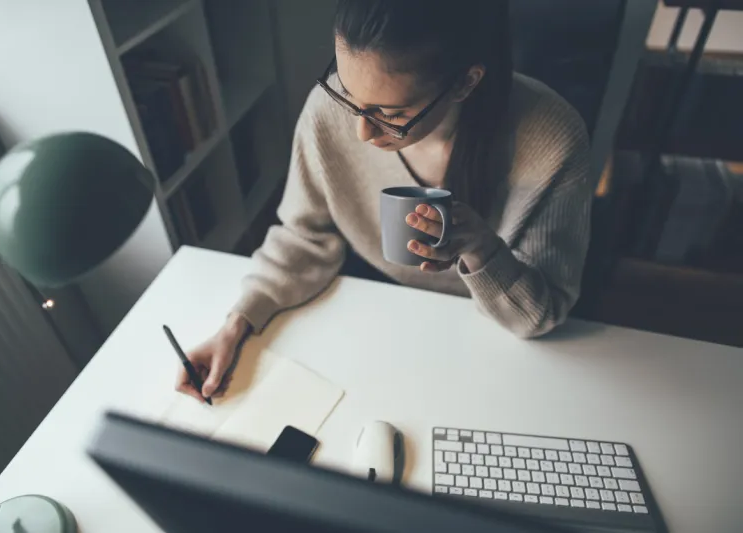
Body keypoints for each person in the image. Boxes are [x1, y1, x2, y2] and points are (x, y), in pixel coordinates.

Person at [177, 0, 591, 402]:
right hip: (372, 311)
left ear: (466, 82)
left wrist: (483, 249)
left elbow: (540, 312)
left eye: (391, 115)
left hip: (495, 343)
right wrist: (236, 326)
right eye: (347, 93)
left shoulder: (552, 139)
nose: (360, 133)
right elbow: (304, 236)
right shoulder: (329, 111)